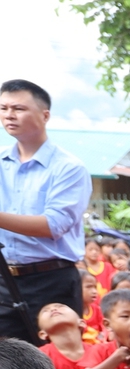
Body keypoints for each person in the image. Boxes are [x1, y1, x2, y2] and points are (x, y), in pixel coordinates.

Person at [0, 80, 90, 343]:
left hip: (52, 280)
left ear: (45, 115)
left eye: (18, 108)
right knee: (6, 368)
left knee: (54, 363)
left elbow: (53, 225)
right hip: (4, 278)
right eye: (3, 108)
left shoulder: (69, 168)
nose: (9, 115)